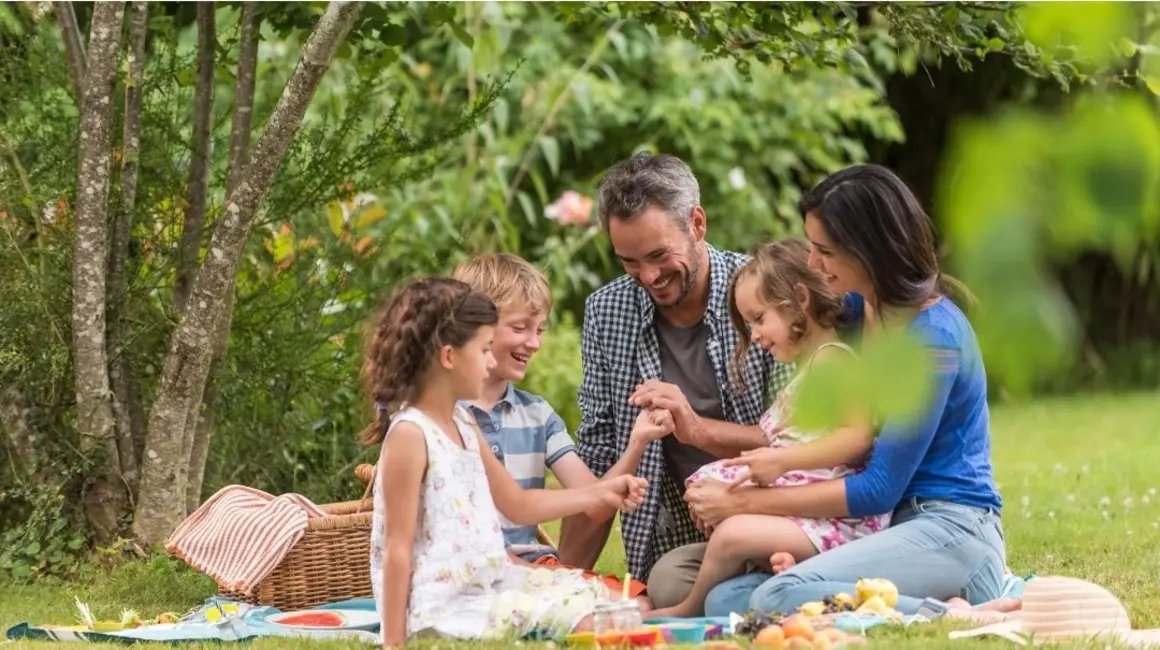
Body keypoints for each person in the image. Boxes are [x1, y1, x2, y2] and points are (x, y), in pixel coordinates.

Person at [676, 164, 1006, 617]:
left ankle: (953, 613)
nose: (813, 263)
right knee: (726, 599)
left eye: (824, 250)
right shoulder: (853, 315)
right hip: (883, 530)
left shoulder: (934, 339)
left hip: (949, 527)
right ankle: (920, 603)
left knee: (776, 596)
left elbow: (878, 488)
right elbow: (785, 323)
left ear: (868, 250)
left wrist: (745, 501)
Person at [361, 276, 651, 645]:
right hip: (445, 607)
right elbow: (397, 551)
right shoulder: (410, 435)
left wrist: (603, 492)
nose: (488, 361)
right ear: (449, 357)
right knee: (600, 625)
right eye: (483, 350)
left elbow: (520, 504)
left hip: (490, 582)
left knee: (624, 608)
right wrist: (393, 641)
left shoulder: (463, 425)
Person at [556, 153, 792, 599]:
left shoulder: (764, 294)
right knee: (666, 585)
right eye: (628, 261)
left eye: (659, 255)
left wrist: (696, 429)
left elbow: (800, 442)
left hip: (779, 523)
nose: (648, 276)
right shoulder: (608, 312)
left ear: (697, 224)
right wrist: (561, 586)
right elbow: (600, 455)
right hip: (678, 544)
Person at [645, 238, 890, 619]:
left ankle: (688, 609)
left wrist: (780, 462)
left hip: (842, 523)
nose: (755, 335)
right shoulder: (807, 371)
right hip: (809, 517)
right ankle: (783, 570)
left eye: (759, 319)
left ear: (799, 302)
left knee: (732, 534)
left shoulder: (833, 363)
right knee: (717, 525)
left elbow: (857, 435)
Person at [451, 253, 664, 603]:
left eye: (539, 330)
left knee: (638, 602)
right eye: (520, 328)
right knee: (611, 606)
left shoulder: (537, 415)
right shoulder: (446, 414)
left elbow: (594, 503)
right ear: (475, 326)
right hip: (472, 568)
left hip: (531, 568)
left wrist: (637, 443)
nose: (534, 343)